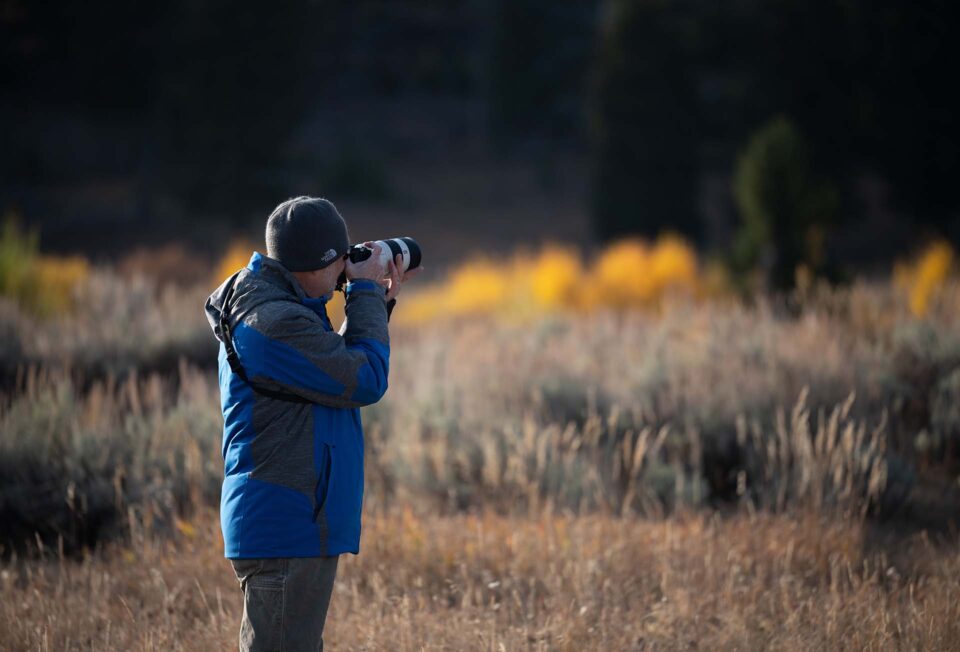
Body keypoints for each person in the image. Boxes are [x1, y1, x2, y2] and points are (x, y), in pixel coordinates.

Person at [204, 196, 420, 651]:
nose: (346, 267)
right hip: (286, 522)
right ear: (311, 262)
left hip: (292, 519)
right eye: (340, 260)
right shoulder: (273, 321)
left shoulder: (279, 304)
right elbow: (362, 379)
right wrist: (362, 295)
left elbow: (327, 374)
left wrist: (375, 304)